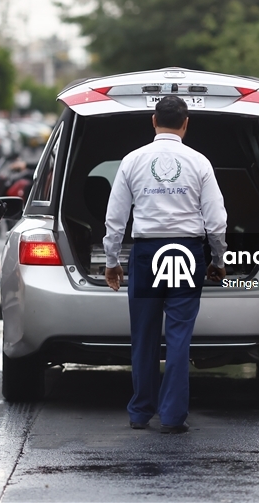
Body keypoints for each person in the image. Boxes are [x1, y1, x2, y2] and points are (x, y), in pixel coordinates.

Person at [103, 96, 228, 434]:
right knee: (178, 337)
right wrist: (217, 260)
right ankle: (173, 417)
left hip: (146, 254)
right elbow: (216, 222)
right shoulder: (199, 162)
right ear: (186, 123)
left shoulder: (132, 161)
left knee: (143, 336)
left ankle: (141, 412)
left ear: (153, 120)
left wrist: (112, 261)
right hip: (187, 253)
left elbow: (115, 218)